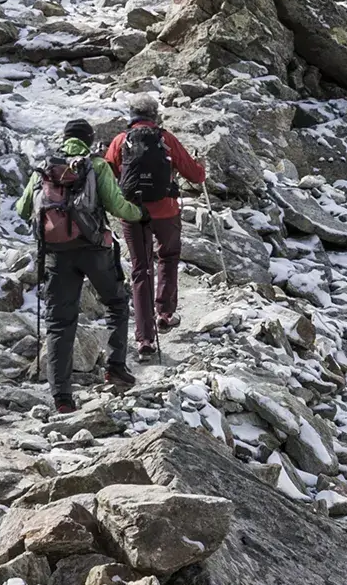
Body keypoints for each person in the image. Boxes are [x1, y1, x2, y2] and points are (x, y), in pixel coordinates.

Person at [13, 118, 141, 411]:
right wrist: (140, 213)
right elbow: (117, 206)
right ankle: (115, 367)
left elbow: (22, 210)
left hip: (56, 254)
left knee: (59, 322)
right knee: (116, 303)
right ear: (88, 139)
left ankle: (61, 397)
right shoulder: (96, 166)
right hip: (94, 250)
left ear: (65, 138)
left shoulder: (45, 168)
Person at [104, 95, 205, 362]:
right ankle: (165, 313)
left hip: (133, 211)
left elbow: (108, 175)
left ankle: (144, 338)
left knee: (140, 269)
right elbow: (194, 174)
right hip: (166, 210)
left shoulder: (120, 141)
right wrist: (201, 168)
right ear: (155, 115)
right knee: (169, 256)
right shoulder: (166, 139)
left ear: (131, 115)